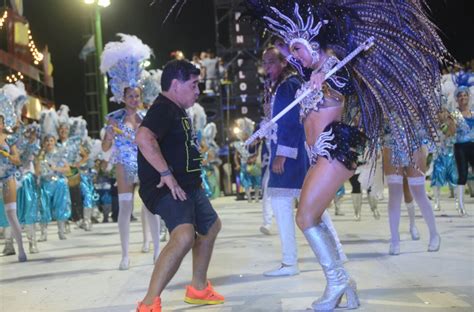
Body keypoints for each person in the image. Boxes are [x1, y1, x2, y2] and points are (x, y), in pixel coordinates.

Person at [244, 0, 450, 310]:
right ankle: (346, 287)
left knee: (305, 217)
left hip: (334, 150)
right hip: (319, 154)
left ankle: (337, 280)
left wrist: (326, 68)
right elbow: (300, 68)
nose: (294, 56)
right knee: (314, 216)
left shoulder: (336, 71)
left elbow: (335, 66)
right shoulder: (310, 71)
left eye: (298, 49)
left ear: (314, 46)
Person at [136, 59, 224, 312]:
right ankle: (148, 303)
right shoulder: (163, 108)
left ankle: (198, 288)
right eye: (194, 84)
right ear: (175, 85)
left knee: (210, 227)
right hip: (167, 187)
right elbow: (143, 137)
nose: (198, 91)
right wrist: (166, 173)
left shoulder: (176, 109)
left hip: (189, 185)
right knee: (184, 236)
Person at [260, 46, 345, 277]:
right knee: (311, 205)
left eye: (271, 62)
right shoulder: (283, 85)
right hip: (293, 153)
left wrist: (283, 153)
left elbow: (290, 121)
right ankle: (336, 252)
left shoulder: (289, 84)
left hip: (290, 155)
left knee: (289, 204)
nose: (266, 67)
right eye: (264, 62)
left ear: (284, 62)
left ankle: (290, 262)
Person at [101, 34, 162, 270]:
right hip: (123, 165)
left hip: (145, 164)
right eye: (130, 96)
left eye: (137, 96)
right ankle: (125, 254)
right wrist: (108, 137)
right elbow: (106, 148)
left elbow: (155, 144)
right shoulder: (113, 119)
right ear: (123, 97)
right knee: (125, 207)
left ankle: (158, 250)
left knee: (150, 207)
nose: (134, 99)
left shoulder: (148, 118)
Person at [0, 91, 27, 262]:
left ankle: (21, 248)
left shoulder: (9, 140)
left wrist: (7, 155)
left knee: (11, 213)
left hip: (7, 177)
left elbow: (17, 160)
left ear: (3, 123)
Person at [451, 72, 474, 215]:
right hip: (460, 146)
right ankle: (460, 205)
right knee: (463, 174)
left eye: (465, 95)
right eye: (460, 96)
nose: (463, 98)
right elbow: (449, 131)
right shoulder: (454, 114)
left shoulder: (473, 112)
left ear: (468, 96)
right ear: (457, 99)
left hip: (473, 145)